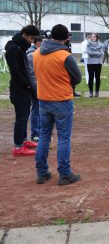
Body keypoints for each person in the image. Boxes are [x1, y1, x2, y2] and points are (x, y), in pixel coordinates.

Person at [33, 24, 82, 185]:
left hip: (43, 99)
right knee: (63, 138)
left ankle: (41, 172)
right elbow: (77, 77)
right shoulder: (64, 55)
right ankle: (65, 173)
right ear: (66, 38)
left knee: (44, 135)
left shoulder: (37, 53)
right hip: (61, 99)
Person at [5, 25, 40, 156]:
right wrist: (26, 85)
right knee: (21, 118)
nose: (31, 42)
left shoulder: (20, 47)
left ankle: (24, 140)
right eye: (31, 38)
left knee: (24, 117)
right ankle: (18, 147)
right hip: (19, 90)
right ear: (24, 35)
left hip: (25, 89)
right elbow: (15, 72)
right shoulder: (13, 49)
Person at [26, 35, 44, 142]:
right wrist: (36, 87)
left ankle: (41, 131)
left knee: (42, 109)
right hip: (36, 86)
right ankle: (35, 133)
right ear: (38, 43)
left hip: (41, 86)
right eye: (43, 43)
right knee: (36, 110)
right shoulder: (31, 55)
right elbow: (32, 74)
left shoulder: (38, 53)